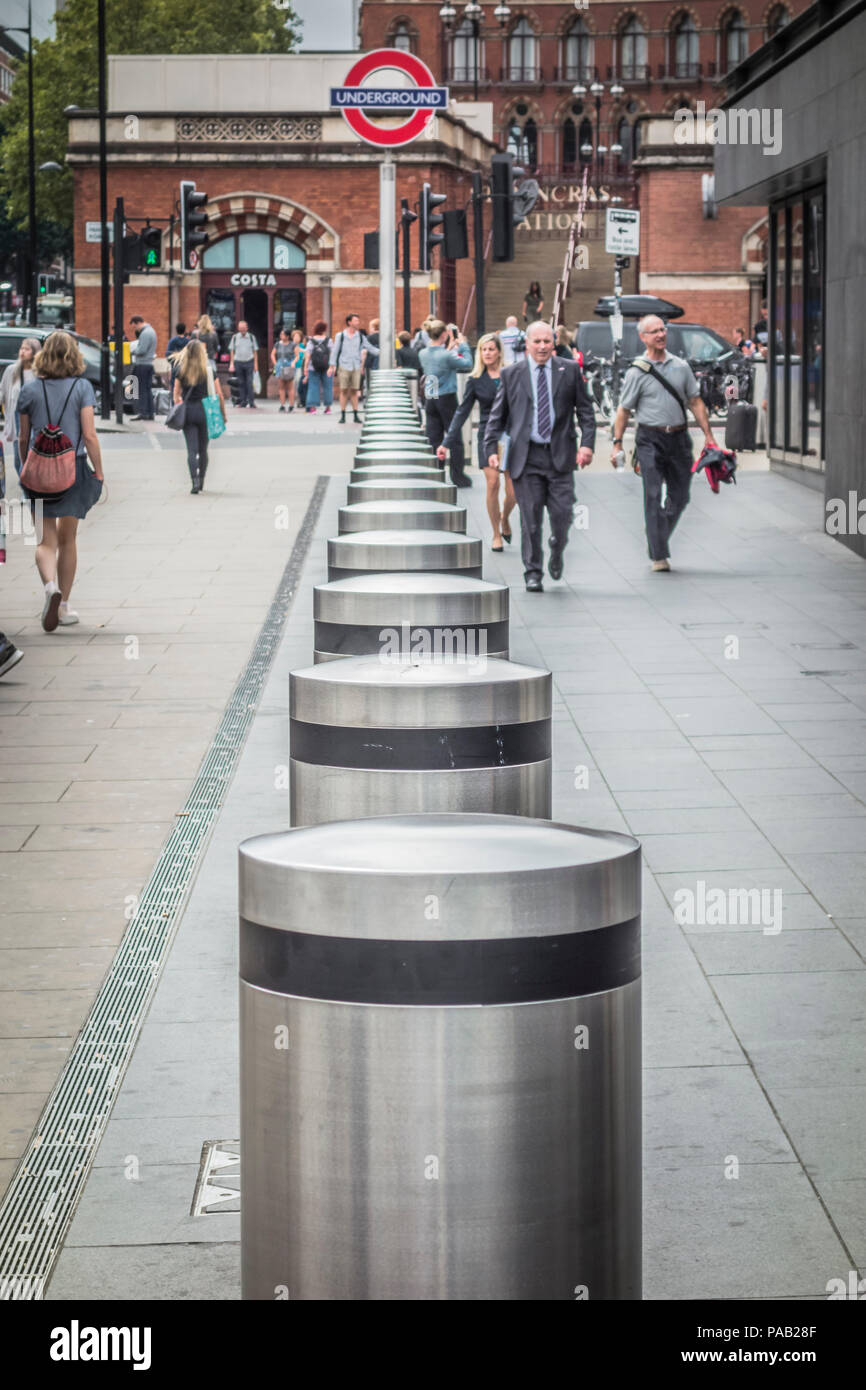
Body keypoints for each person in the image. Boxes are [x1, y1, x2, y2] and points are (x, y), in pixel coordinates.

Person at [483, 320, 595, 592]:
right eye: (537, 341)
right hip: (527, 457)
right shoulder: (513, 374)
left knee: (563, 515)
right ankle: (533, 571)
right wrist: (491, 450)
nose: (542, 346)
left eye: (547, 341)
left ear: (554, 342)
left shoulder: (569, 370)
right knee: (530, 519)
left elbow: (586, 412)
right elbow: (497, 417)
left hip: (560, 456)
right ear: (528, 344)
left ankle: (557, 546)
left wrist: (587, 445)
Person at [611, 314, 718, 572]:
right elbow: (624, 410)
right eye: (654, 331)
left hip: (679, 439)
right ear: (643, 337)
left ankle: (657, 538)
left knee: (680, 497)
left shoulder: (681, 366)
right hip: (650, 439)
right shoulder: (637, 371)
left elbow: (695, 401)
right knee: (653, 494)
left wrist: (709, 435)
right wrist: (616, 444)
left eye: (662, 329)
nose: (660, 334)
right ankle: (659, 554)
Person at [17, 331, 105, 630]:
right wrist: (100, 470)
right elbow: (90, 435)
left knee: (45, 540)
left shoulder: (29, 389)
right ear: (73, 355)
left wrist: (24, 467)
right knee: (68, 539)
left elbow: (23, 437)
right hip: (74, 468)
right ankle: (64, 605)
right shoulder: (82, 387)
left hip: (38, 472)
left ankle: (49, 588)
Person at [437, 333, 516, 551]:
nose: (487, 353)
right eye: (483, 349)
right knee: (493, 483)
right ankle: (496, 533)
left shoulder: (511, 374)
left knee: (513, 492)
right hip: (488, 435)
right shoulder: (475, 379)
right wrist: (446, 442)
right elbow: (462, 412)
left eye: (491, 349)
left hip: (511, 436)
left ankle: (505, 517)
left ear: (499, 351)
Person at [419, 320, 473, 488]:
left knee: (434, 436)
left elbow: (439, 363)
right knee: (454, 437)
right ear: (444, 334)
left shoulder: (423, 353)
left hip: (431, 397)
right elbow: (468, 364)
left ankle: (437, 471)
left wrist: (449, 348)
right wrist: (463, 345)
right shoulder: (447, 355)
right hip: (447, 397)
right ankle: (458, 476)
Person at [170, 337, 226, 494]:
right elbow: (219, 395)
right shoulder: (208, 371)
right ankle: (201, 481)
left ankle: (193, 482)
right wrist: (223, 414)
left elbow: (176, 394)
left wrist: (178, 405)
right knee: (203, 450)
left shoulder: (181, 370)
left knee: (191, 450)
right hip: (204, 411)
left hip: (188, 411)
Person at [328, 313, 378, 424]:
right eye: (356, 321)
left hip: (355, 366)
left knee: (355, 391)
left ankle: (355, 414)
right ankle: (343, 414)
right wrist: (331, 366)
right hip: (344, 365)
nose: (358, 323)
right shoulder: (340, 336)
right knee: (344, 390)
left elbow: (370, 348)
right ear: (349, 322)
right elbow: (335, 351)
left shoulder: (360, 336)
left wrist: (383, 353)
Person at [1, 336, 39, 475]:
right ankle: (25, 484)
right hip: (18, 417)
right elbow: (2, 392)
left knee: (33, 454)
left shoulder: (40, 373)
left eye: (27, 349)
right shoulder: (12, 371)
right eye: (21, 348)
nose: (22, 351)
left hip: (35, 417)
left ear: (35, 353)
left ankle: (30, 488)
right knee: (19, 457)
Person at [129, 314, 157, 420]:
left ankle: (143, 412)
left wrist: (133, 351)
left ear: (138, 323)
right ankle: (150, 412)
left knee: (142, 389)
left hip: (143, 364)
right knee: (147, 388)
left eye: (135, 326)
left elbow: (141, 350)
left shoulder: (145, 333)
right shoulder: (152, 331)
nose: (135, 329)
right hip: (149, 364)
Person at [304, 322, 334, 413]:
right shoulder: (329, 340)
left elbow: (308, 355)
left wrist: (305, 367)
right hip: (327, 367)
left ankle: (313, 408)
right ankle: (328, 408)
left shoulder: (311, 341)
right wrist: (332, 367)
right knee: (328, 387)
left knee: (313, 386)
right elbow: (332, 354)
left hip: (313, 367)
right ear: (324, 329)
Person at [229, 320, 258, 409]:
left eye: (244, 328)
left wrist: (256, 364)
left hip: (249, 361)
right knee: (241, 383)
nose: (242, 330)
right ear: (238, 328)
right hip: (238, 362)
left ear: (247, 328)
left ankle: (251, 402)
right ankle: (242, 402)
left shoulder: (251, 337)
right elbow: (232, 351)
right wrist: (231, 363)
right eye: (240, 328)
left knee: (249, 382)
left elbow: (255, 351)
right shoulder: (235, 338)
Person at [271, 329, 295, 411]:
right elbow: (272, 354)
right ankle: (282, 404)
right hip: (280, 366)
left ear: (288, 336)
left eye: (283, 334)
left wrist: (293, 362)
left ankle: (291, 405)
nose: (281, 336)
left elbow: (297, 355)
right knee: (281, 386)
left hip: (289, 366)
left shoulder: (293, 345)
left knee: (290, 386)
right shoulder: (277, 344)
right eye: (281, 334)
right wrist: (275, 363)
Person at [291, 329, 307, 410]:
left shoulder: (302, 346)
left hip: (300, 367)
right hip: (292, 367)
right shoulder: (290, 345)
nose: (296, 338)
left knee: (298, 384)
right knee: (293, 385)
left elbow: (306, 354)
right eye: (295, 336)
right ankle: (292, 402)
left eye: (298, 336)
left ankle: (299, 401)